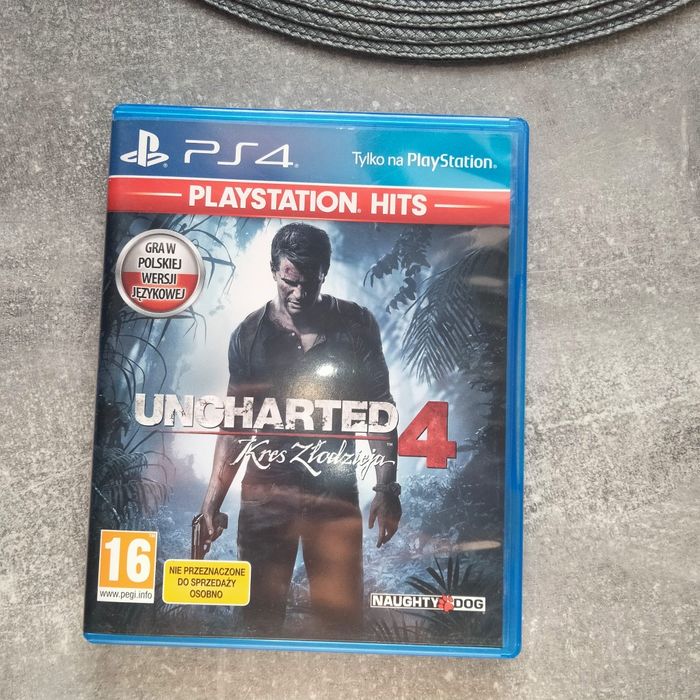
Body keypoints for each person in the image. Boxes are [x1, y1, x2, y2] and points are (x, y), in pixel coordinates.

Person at [199, 222, 401, 636]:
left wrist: (387, 488)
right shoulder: (249, 336)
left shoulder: (356, 324)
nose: (299, 293)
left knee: (341, 623)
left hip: (334, 496)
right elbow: (235, 424)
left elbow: (379, 409)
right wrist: (211, 503)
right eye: (289, 281)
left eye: (310, 282)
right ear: (274, 271)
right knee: (257, 621)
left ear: (324, 273)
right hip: (265, 498)